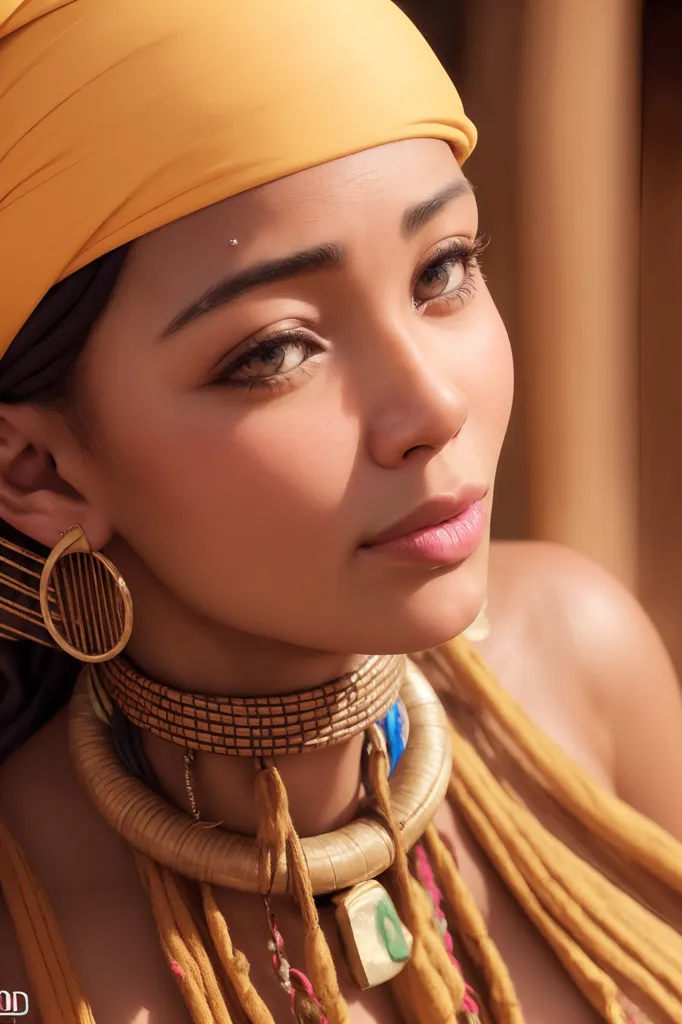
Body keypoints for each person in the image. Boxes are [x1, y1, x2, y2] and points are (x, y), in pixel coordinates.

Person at [1, 1, 682, 1022]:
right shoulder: (23, 934)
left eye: (442, 271)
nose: (433, 406)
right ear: (40, 471)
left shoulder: (580, 666)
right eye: (275, 350)